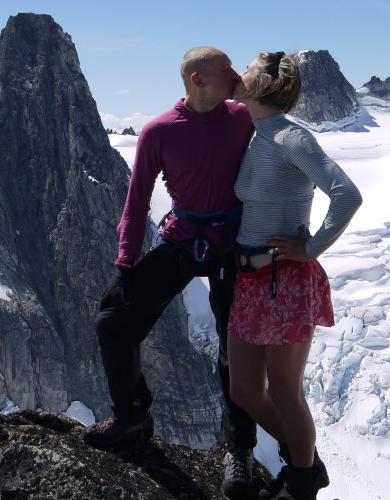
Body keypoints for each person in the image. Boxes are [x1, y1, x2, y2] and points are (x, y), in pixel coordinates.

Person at [82, 46, 260, 499]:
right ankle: (132, 415)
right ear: (198, 80)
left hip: (231, 244)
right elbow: (137, 200)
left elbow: (282, 128)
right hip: (186, 239)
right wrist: (125, 262)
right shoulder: (159, 131)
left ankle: (239, 452)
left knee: (231, 351)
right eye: (226, 71)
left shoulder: (243, 116)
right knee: (113, 323)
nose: (235, 76)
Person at [227, 52, 362, 500]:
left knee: (285, 389)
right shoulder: (257, 132)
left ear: (261, 85)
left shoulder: (289, 137)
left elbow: (347, 194)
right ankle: (307, 461)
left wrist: (310, 249)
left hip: (283, 281)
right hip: (250, 281)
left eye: (246, 68)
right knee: (246, 390)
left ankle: (301, 483)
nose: (239, 73)